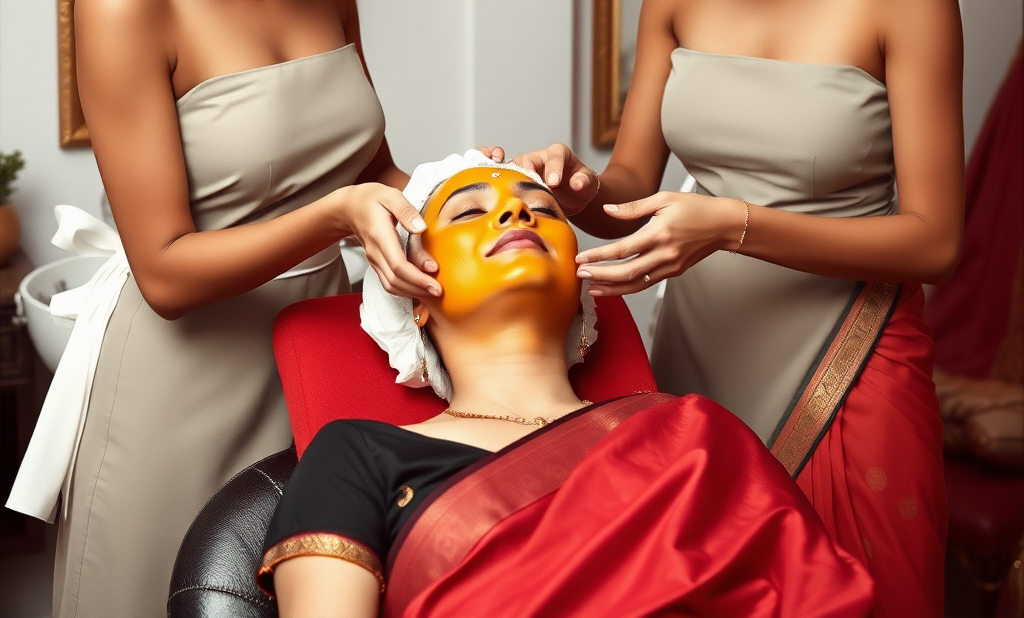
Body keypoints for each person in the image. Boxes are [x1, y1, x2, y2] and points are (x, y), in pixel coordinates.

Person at [509, 0, 961, 617]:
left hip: (851, 351)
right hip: (699, 346)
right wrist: (581, 191)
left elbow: (936, 240)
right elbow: (635, 182)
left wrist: (735, 226)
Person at [7, 0, 442, 618]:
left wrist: (484, 187)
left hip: (323, 356)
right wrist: (338, 214)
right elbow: (164, 272)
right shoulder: (126, 2)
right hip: (185, 376)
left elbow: (379, 168)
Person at [259, 153, 875, 618]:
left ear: (585, 287)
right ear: (412, 292)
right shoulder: (356, 457)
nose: (515, 212)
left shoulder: (696, 436)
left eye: (544, 209)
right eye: (469, 212)